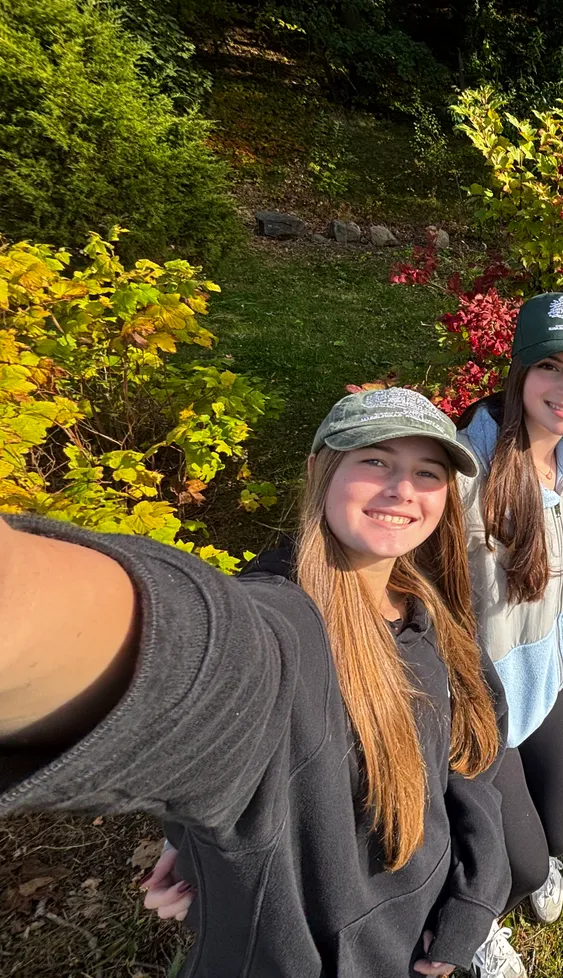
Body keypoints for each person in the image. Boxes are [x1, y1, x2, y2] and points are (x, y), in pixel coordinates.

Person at [0, 388, 508, 978]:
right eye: (375, 460)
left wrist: (473, 901)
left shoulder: (432, 613)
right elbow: (206, 665)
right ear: (318, 471)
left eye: (428, 472)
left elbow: (473, 759)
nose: (403, 489)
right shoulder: (283, 625)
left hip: (419, 936)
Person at [455, 292, 563, 974]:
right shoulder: (465, 471)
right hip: (481, 697)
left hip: (550, 676)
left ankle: (523, 870)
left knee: (556, 836)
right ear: (519, 371)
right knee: (515, 865)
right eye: (550, 366)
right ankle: (476, 926)